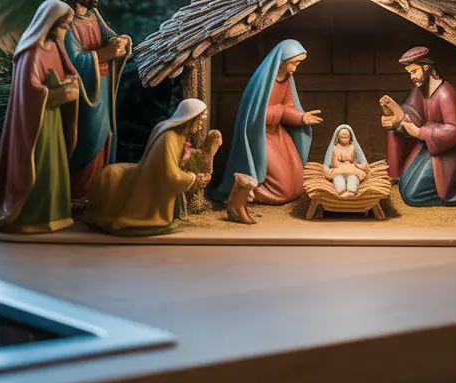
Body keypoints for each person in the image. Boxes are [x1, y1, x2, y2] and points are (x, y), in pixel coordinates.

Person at [0, 0, 80, 234]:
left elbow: (65, 74)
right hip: (36, 124)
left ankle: (55, 213)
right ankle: (32, 216)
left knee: (54, 166)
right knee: (40, 165)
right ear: (50, 24)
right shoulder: (31, 53)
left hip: (53, 121)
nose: (67, 30)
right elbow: (29, 90)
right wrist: (57, 93)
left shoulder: (55, 47)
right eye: (64, 25)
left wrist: (70, 83)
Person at [213, 39, 322, 206]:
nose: (295, 68)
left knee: (298, 184)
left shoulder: (286, 79)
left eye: (298, 63)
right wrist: (280, 110)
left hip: (277, 133)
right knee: (284, 190)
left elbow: (288, 107)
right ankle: (245, 191)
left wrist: (301, 117)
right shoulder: (264, 81)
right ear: (282, 61)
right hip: (260, 134)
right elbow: (258, 114)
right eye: (293, 63)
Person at [380, 46, 456, 206]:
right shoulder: (421, 89)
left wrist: (420, 132)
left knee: (412, 196)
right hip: (430, 146)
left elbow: (455, 130)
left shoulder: (445, 94)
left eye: (414, 71)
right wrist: (397, 118)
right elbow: (413, 112)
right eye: (410, 73)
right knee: (404, 184)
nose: (412, 77)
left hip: (449, 152)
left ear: (426, 67)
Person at [58, 0, 132, 203]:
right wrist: (104, 54)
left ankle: (100, 189)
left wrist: (120, 42)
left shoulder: (93, 14)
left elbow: (108, 37)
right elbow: (73, 61)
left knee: (107, 133)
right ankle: (80, 193)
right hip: (86, 89)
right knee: (89, 137)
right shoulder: (68, 23)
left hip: (103, 85)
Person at [84, 98, 211, 236]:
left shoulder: (180, 136)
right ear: (190, 119)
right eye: (199, 121)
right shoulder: (168, 137)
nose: (200, 126)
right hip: (150, 182)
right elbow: (169, 174)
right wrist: (194, 179)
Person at [323, 124, 368, 196]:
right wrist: (326, 170)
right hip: (338, 169)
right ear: (338, 137)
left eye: (347, 136)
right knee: (338, 179)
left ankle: (351, 192)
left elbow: (363, 161)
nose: (345, 138)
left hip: (352, 169)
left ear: (350, 137)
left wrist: (361, 166)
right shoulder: (334, 148)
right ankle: (342, 192)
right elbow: (327, 163)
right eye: (342, 137)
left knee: (353, 178)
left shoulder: (353, 147)